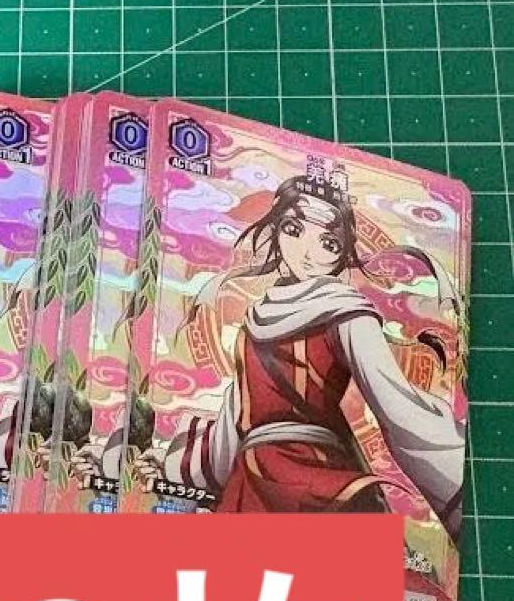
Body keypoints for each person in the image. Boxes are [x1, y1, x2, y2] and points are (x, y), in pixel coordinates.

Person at [147, 168, 464, 542]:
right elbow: (236, 419)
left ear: (341, 254)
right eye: (294, 229)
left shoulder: (347, 312)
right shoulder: (254, 318)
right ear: (277, 231)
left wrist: (457, 473)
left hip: (308, 478)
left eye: (328, 243)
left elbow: (395, 406)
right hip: (261, 477)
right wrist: (172, 464)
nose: (308, 252)